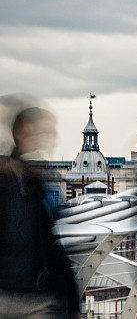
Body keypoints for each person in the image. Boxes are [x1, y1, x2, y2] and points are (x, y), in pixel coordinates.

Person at [0, 104, 80, 319]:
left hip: (34, 297)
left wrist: (72, 302)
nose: (49, 139)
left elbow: (52, 245)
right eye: (44, 132)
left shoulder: (34, 181)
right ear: (23, 130)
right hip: (19, 298)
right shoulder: (15, 179)